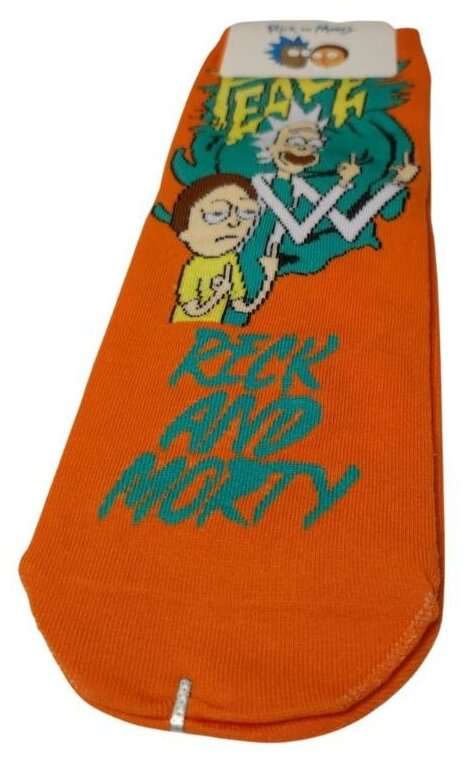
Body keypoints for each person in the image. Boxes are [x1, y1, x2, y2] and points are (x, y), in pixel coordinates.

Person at [170, 173, 278, 323]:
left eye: (246, 212)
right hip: (182, 328)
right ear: (184, 232)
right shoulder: (193, 268)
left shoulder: (231, 262)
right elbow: (192, 311)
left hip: (214, 330)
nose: (234, 222)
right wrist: (218, 294)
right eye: (217, 213)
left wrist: (269, 275)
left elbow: (243, 307)